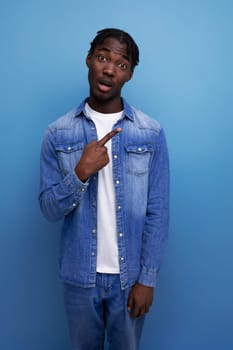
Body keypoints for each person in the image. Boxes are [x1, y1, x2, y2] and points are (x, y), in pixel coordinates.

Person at [39, 28, 169, 350]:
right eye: (103, 58)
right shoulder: (58, 133)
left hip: (130, 280)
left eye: (121, 64)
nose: (110, 69)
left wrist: (147, 279)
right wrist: (80, 172)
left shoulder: (150, 134)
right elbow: (48, 208)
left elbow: (158, 211)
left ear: (129, 74)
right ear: (89, 60)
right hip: (79, 278)